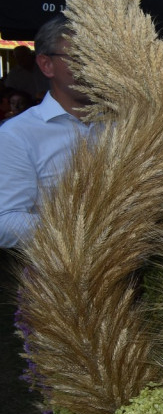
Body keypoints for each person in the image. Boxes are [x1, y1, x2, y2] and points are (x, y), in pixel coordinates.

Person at [0, 16, 92, 248]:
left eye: (99, 56)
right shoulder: (18, 135)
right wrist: (84, 230)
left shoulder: (125, 123)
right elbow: (5, 220)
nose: (92, 65)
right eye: (79, 57)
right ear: (46, 65)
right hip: (55, 276)